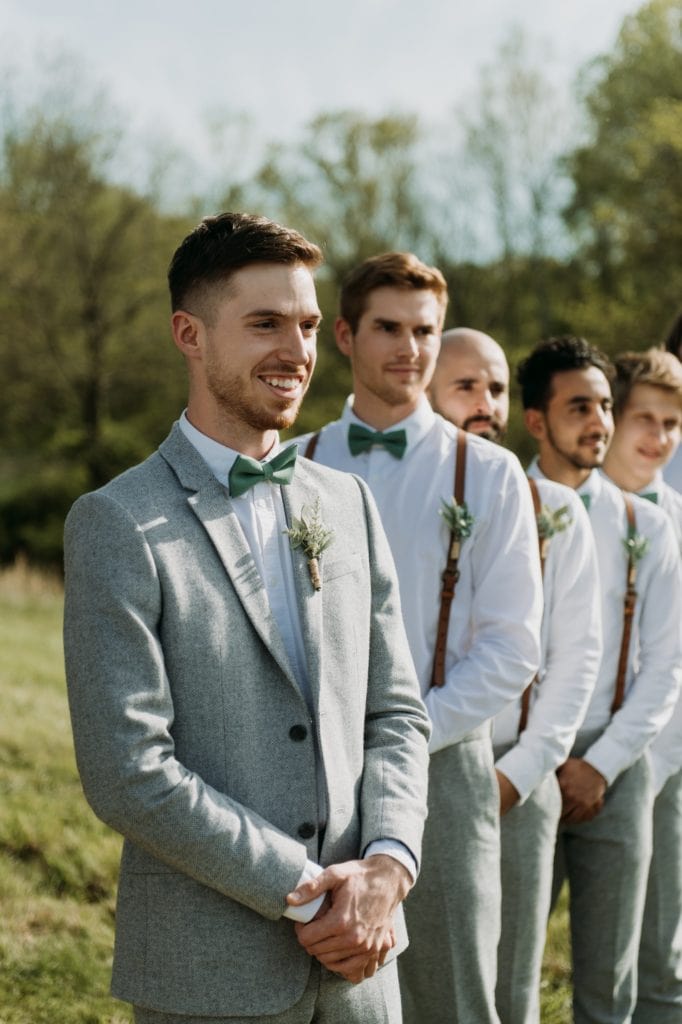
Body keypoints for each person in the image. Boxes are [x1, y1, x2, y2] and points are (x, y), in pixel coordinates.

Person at [62, 213, 431, 1024]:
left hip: (366, 966)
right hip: (210, 970)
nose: (296, 351)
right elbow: (129, 770)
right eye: (264, 323)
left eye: (305, 325)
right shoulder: (115, 522)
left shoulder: (349, 503)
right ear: (189, 334)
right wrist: (307, 895)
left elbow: (396, 712)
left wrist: (387, 868)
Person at [296, 252, 543, 1024]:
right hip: (313, 766)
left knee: (457, 997)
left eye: (425, 331)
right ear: (344, 334)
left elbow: (513, 649)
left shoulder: (491, 474)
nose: (410, 349)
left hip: (446, 762)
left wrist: (402, 734)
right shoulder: (291, 464)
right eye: (389, 329)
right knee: (327, 990)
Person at [429, 328, 602, 1023]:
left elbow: (575, 655)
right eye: (466, 386)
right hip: (413, 764)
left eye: (496, 389)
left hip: (515, 777)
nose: (486, 404)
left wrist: (521, 772)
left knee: (509, 987)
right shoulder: (388, 495)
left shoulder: (554, 511)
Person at [518, 335, 682, 1024]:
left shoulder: (648, 524)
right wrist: (534, 758)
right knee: (511, 966)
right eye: (582, 406)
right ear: (539, 419)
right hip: (522, 762)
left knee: (612, 977)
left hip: (619, 762)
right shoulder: (504, 500)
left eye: (606, 406)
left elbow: (666, 663)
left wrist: (605, 764)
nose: (602, 423)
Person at [602, 348, 682, 1024]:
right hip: (558, 758)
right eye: (644, 419)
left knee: (657, 955)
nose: (659, 438)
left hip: (663, 764)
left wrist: (646, 768)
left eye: (672, 423)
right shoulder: (558, 508)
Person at [428, 327, 510, 442]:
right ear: (427, 393)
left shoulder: (507, 460)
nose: (487, 407)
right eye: (466, 388)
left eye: (496, 390)